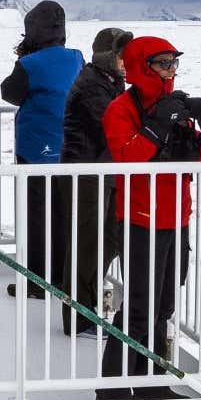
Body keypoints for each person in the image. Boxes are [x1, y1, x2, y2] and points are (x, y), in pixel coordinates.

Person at [98, 34, 201, 400]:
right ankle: (112, 389)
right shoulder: (121, 109)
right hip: (139, 218)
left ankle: (153, 382)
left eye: (174, 62)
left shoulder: (174, 108)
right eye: (163, 63)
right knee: (139, 307)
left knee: (164, 306)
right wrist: (156, 126)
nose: (171, 70)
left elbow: (189, 161)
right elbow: (126, 158)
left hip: (175, 217)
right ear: (142, 67)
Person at [0, 0, 81, 300]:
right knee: (63, 215)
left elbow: (10, 93)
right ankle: (62, 278)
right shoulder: (76, 58)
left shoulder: (30, 64)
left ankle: (36, 282)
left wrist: (24, 57)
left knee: (36, 217)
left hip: (35, 148)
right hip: (69, 146)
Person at [58, 26, 132, 332]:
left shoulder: (110, 83)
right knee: (86, 245)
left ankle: (86, 306)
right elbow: (114, 127)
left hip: (104, 173)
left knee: (109, 239)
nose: (126, 60)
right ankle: (76, 318)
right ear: (106, 56)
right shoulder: (92, 85)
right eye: (121, 54)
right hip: (85, 173)